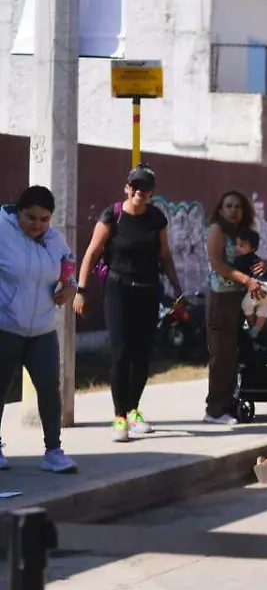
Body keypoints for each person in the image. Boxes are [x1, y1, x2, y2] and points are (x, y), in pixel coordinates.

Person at [75, 164, 183, 442]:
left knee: (142, 354)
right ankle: (119, 416)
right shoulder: (113, 216)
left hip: (148, 291)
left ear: (151, 194)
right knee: (121, 352)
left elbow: (165, 255)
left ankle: (134, 410)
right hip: (118, 290)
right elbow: (91, 253)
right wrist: (82, 290)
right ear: (127, 188)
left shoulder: (156, 218)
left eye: (145, 189)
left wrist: (177, 287)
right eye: (135, 187)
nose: (139, 192)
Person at [0, 185, 78, 472]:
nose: (37, 225)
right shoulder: (2, 230)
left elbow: (69, 269)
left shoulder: (55, 240)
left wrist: (71, 288)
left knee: (48, 387)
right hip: (5, 325)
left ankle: (53, 451)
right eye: (31, 218)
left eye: (44, 219)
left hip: (43, 328)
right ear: (18, 211)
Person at [204, 190, 267, 425]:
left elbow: (251, 260)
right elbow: (218, 264)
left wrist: (263, 265)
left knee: (232, 356)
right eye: (228, 206)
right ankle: (214, 410)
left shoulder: (241, 235)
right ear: (221, 210)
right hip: (220, 299)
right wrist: (247, 280)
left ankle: (228, 404)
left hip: (239, 300)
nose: (233, 210)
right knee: (220, 356)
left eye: (238, 207)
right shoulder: (217, 230)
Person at [233, 229, 267, 338]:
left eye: (242, 246)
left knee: (246, 306)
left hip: (259, 287)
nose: (237, 248)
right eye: (237, 244)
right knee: (264, 309)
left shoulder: (241, 260)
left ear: (253, 248)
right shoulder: (259, 260)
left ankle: (252, 326)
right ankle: (256, 330)